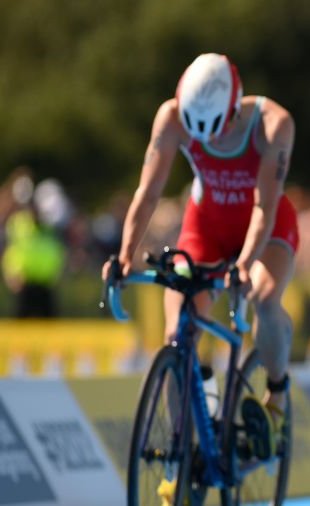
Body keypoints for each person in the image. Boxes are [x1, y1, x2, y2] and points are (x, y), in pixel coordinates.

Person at [104, 53, 299, 473]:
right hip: (205, 224)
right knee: (178, 331)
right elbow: (148, 193)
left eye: (224, 129)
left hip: (265, 226)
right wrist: (123, 256)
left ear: (235, 108)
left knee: (264, 297)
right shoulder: (171, 117)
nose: (217, 139)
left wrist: (245, 262)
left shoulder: (273, 124)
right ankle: (186, 444)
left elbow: (265, 206)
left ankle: (278, 396)